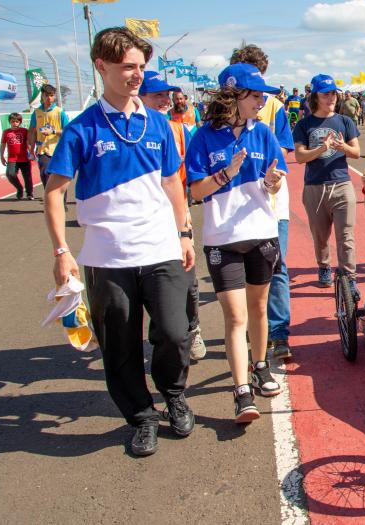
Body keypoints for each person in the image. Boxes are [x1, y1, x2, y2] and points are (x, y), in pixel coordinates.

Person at [45, 27, 195, 456]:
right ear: (101, 65)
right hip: (107, 256)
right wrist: (62, 252)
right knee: (120, 343)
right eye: (128, 66)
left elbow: (171, 182)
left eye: (141, 67)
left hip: (161, 247)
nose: (137, 75)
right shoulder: (82, 128)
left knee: (173, 331)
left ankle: (173, 392)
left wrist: (184, 232)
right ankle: (141, 415)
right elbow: (54, 192)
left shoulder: (159, 124)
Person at [186, 63, 288, 423]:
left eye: (263, 95)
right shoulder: (202, 137)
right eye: (256, 94)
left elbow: (273, 182)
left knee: (258, 310)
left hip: (261, 233)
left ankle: (261, 366)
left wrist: (273, 181)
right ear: (235, 95)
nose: (262, 101)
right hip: (222, 240)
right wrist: (227, 172)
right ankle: (242, 390)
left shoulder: (263, 133)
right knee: (235, 316)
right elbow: (196, 192)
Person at [230, 43, 297, 361]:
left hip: (271, 199)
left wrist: (268, 174)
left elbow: (283, 150)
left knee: (277, 265)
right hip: (232, 204)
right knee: (239, 270)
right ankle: (251, 329)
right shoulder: (219, 115)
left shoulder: (274, 106)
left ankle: (279, 332)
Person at [138, 71, 207, 360]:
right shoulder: (131, 129)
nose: (165, 100)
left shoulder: (178, 129)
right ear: (139, 97)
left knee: (186, 276)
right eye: (157, 95)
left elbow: (189, 171)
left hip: (176, 213)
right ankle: (161, 334)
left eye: (167, 95)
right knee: (148, 281)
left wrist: (184, 217)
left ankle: (193, 329)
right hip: (142, 219)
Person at [293, 74, 361, 288]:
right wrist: (322, 148)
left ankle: (348, 276)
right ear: (315, 96)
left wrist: (343, 148)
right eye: (325, 93)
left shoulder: (344, 121)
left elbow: (357, 152)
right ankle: (324, 267)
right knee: (320, 235)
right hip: (315, 187)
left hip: (341, 184)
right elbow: (299, 157)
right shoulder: (304, 125)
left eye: (333, 93)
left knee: (346, 235)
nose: (331, 97)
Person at [28, 84, 69, 202]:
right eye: (46, 95)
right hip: (42, 150)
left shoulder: (59, 111)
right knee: (46, 174)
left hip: (58, 149)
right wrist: (31, 150)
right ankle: (51, 200)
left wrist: (54, 131)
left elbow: (67, 130)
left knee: (59, 176)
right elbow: (32, 131)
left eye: (51, 96)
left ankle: (62, 201)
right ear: (42, 96)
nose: (49, 98)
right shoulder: (37, 113)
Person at [0, 113, 33, 200]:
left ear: (20, 122)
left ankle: (29, 193)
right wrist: (2, 156)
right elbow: (3, 144)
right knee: (10, 174)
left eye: (17, 122)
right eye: (13, 121)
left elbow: (28, 143)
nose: (15, 123)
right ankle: (19, 188)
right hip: (12, 158)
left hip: (24, 158)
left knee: (27, 176)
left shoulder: (24, 131)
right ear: (10, 122)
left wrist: (32, 153)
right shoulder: (6, 132)